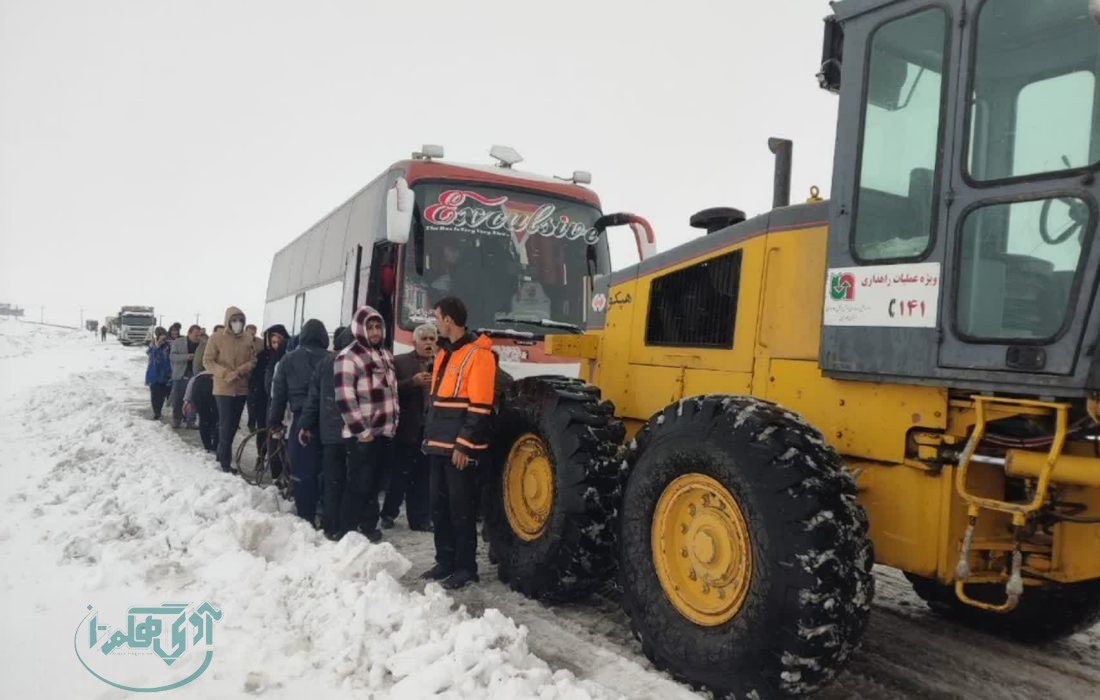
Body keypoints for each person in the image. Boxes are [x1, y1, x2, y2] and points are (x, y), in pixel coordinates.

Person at [419, 296, 496, 590]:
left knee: (460, 509)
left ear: (449, 320)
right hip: (438, 444)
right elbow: (438, 402)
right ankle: (445, 560)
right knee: (438, 507)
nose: (436, 323)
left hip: (458, 449)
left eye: (438, 317)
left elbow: (480, 405)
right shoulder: (445, 352)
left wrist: (464, 444)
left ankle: (466, 567)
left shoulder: (479, 355)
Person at [335, 306, 399, 543]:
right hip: (362, 436)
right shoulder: (348, 356)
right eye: (369, 327)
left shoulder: (385, 354)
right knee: (358, 485)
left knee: (374, 485)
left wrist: (393, 424)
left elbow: (392, 392)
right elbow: (344, 398)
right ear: (359, 329)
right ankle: (347, 532)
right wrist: (361, 431)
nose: (374, 332)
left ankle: (369, 527)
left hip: (384, 433)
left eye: (377, 327)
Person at [268, 319, 329, 525]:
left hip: (301, 420)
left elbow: (278, 396)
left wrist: (274, 422)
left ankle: (306, 516)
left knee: (302, 470)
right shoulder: (332, 359)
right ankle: (325, 511)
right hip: (327, 420)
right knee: (326, 468)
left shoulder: (288, 359)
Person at [381, 323, 437, 531]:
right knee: (400, 475)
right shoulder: (401, 362)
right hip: (407, 429)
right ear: (415, 342)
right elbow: (389, 390)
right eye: (424, 339)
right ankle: (388, 513)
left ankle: (419, 519)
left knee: (423, 478)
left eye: (432, 339)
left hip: (430, 431)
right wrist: (412, 383)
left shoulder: (441, 363)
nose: (429, 343)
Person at [300, 326, 354, 539]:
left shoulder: (325, 363)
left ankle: (331, 525)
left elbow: (313, 398)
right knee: (354, 481)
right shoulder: (360, 360)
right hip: (355, 432)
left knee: (333, 481)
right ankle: (349, 525)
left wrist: (305, 424)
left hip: (330, 432)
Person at [203, 306, 256, 473]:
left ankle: (221, 454)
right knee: (225, 424)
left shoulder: (248, 338)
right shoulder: (216, 338)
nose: (237, 323)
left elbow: (253, 360)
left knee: (233, 425)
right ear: (228, 321)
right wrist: (225, 373)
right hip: (223, 388)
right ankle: (225, 463)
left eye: (240, 320)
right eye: (234, 320)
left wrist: (241, 370)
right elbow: (207, 361)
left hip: (241, 387)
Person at [249, 324, 288, 437]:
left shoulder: (289, 357)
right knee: (264, 430)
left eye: (279, 342)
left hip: (283, 401)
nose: (276, 346)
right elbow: (255, 380)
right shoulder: (263, 356)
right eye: (273, 342)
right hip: (263, 399)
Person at [169, 325, 202, 429]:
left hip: (195, 375)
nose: (198, 337)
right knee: (178, 399)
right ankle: (177, 420)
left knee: (193, 399)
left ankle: (190, 421)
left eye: (199, 335)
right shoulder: (178, 342)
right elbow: (172, 357)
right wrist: (186, 357)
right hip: (180, 375)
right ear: (189, 333)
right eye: (196, 335)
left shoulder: (202, 344)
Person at [184, 370, 218, 453]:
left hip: (199, 385)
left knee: (204, 418)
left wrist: (187, 400)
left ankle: (207, 446)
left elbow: (192, 382)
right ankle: (215, 446)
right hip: (215, 383)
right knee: (217, 419)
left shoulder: (199, 375)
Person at [145, 327, 173, 420]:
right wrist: (157, 345)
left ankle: (164, 410)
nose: (163, 338)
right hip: (154, 373)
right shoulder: (153, 344)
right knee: (155, 394)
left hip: (166, 373)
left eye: (164, 336)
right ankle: (157, 413)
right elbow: (149, 353)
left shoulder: (169, 345)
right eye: (160, 335)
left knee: (164, 394)